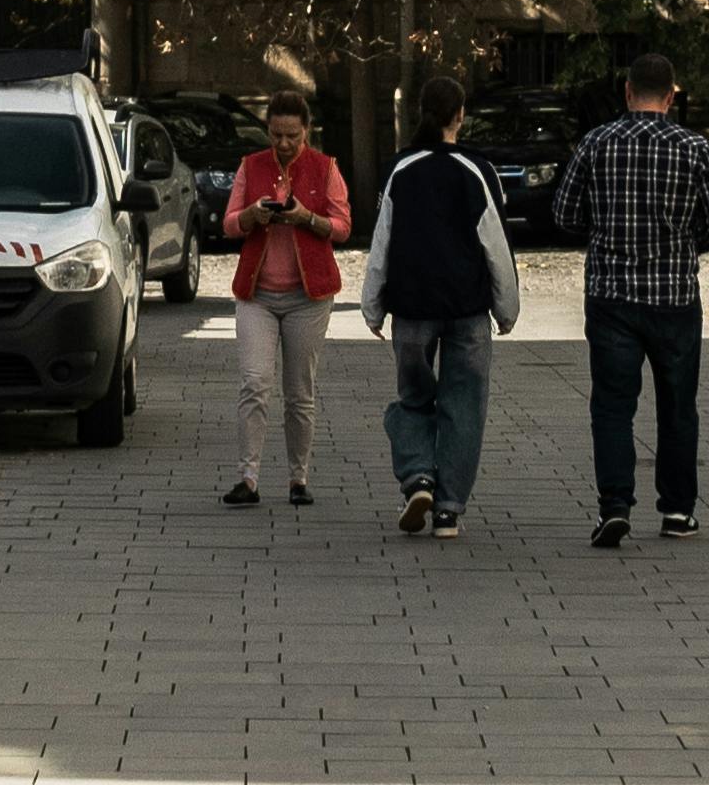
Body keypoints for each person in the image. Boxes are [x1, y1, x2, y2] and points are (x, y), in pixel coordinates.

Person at [559, 51, 709, 547]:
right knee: (678, 406)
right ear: (672, 96)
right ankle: (677, 510)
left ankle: (614, 505)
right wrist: (683, 243)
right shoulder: (694, 148)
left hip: (611, 296)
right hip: (675, 298)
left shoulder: (596, 143)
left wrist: (605, 229)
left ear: (628, 93)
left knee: (612, 405)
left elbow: (566, 213)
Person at [360, 74, 519, 537]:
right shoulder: (477, 170)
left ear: (421, 113)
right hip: (467, 308)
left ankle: (417, 477)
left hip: (411, 306)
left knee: (413, 397)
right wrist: (506, 309)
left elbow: (381, 244)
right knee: (464, 405)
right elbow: (495, 245)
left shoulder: (400, 169)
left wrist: (372, 306)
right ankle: (448, 508)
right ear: (460, 115)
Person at [222, 90, 349, 504]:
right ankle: (248, 478)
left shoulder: (325, 168)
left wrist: (303, 218)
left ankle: (298, 479)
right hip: (256, 294)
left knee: (299, 392)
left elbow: (343, 226)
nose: (284, 144)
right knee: (254, 383)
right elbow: (228, 224)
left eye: (292, 135)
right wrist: (251, 215)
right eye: (276, 134)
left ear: (306, 131)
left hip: (307, 297)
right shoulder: (250, 166)